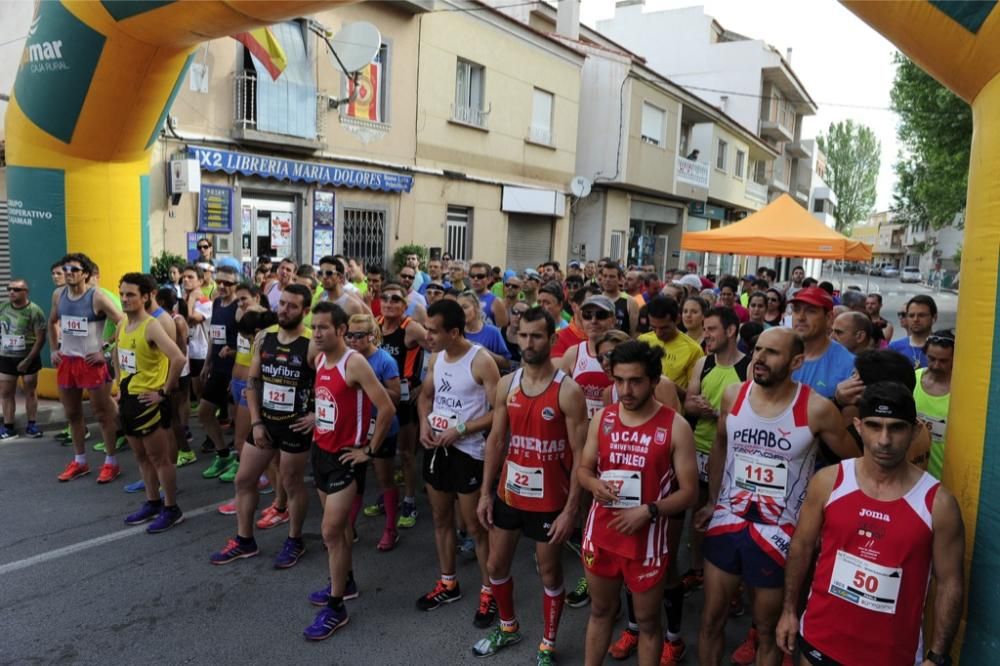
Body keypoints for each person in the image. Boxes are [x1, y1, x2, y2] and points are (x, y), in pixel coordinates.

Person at [695, 327, 855, 666]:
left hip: (779, 533)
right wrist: (712, 500)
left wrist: (819, 517)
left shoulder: (816, 408)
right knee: (710, 620)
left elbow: (854, 464)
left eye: (771, 353)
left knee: (767, 631)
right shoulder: (733, 394)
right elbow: (721, 444)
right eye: (757, 350)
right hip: (729, 519)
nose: (759, 359)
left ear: (796, 361)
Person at [776, 382, 965, 666]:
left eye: (896, 428)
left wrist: (938, 657)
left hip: (891, 655)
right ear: (858, 426)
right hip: (820, 640)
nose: (884, 440)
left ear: (915, 430)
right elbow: (801, 548)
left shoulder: (938, 504)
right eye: (874, 426)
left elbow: (950, 582)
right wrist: (789, 610)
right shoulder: (829, 482)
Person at [472, 307, 589, 663]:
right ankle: (508, 627)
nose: (528, 343)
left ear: (552, 339)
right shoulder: (508, 384)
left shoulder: (568, 391)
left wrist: (571, 510)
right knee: (495, 566)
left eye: (536, 336)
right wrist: (485, 493)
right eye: (523, 335)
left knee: (549, 571)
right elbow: (495, 441)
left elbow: (581, 453)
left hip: (551, 499)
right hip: (510, 493)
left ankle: (548, 643)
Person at [578, 340, 698, 666]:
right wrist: (593, 483)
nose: (625, 390)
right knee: (601, 611)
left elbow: (690, 492)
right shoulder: (602, 418)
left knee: (647, 623)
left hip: (646, 541)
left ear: (655, 381)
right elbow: (584, 469)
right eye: (619, 380)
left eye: (635, 381)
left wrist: (649, 511)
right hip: (601, 535)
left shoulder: (676, 426)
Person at [303, 301, 396, 640]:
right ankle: (348, 581)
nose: (316, 333)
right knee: (339, 532)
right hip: (321, 453)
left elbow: (386, 407)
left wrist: (368, 450)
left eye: (323, 327)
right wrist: (318, 419)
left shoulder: (354, 363)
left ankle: (336, 606)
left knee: (330, 532)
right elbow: (330, 402)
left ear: (341, 330)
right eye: (313, 327)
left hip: (346, 458)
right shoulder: (318, 360)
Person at [210, 283, 317, 568]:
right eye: (282, 303)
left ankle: (295, 540)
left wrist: (317, 415)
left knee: (292, 483)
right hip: (265, 423)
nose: (284, 309)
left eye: (292, 306)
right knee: (243, 480)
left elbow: (330, 382)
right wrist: (256, 422)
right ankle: (244, 540)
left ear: (305, 311)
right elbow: (253, 382)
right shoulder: (264, 337)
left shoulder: (312, 342)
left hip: (295, 426)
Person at [416, 299, 501, 627]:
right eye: (427, 328)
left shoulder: (481, 361)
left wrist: (462, 428)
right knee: (440, 519)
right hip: (437, 448)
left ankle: (489, 589)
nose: (428, 336)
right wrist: (424, 423)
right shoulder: (436, 358)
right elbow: (425, 396)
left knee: (474, 527)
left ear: (454, 331)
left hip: (468, 453)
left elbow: (499, 413)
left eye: (434, 331)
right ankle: (448, 582)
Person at [681, 307, 750, 596]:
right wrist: (697, 406)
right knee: (699, 512)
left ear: (731, 331)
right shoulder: (703, 362)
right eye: (705, 329)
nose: (705, 334)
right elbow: (689, 402)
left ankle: (732, 586)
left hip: (733, 455)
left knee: (731, 519)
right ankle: (697, 569)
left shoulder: (749, 367)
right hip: (699, 448)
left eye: (711, 329)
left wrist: (723, 414)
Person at [116, 273, 187, 533]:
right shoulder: (124, 324)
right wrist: (119, 384)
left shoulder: (151, 325)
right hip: (129, 401)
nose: (125, 299)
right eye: (122, 294)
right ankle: (152, 502)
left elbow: (178, 358)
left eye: (131, 294)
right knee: (141, 457)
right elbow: (118, 354)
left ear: (146, 297)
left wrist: (163, 392)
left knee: (160, 459)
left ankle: (171, 508)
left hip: (149, 402)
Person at [49, 254, 124, 483]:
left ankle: (111, 462)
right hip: (67, 362)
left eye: (74, 269)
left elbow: (123, 321)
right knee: (72, 414)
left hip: (92, 363)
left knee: (102, 415)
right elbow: (52, 321)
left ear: (86, 273)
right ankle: (80, 461)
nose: (69, 272)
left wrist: (105, 348)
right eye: (66, 268)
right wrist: (54, 349)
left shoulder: (97, 297)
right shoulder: (58, 295)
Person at [345, 314, 402, 550]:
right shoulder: (346, 358)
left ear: (371, 336)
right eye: (349, 335)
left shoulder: (385, 360)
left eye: (359, 336)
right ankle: (349, 527)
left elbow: (397, 397)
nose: (353, 340)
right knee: (354, 480)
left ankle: (391, 529)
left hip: (382, 427)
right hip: (356, 429)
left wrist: (369, 383)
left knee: (384, 479)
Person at [374, 282, 427, 530]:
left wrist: (425, 386)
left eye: (395, 299)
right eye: (385, 298)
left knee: (406, 454)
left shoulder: (411, 328)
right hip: (378, 397)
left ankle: (408, 500)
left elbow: (439, 349)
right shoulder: (373, 326)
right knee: (381, 451)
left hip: (405, 399)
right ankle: (387, 495)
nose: (389, 303)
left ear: (405, 305)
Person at [198, 264, 240, 480]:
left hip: (236, 370)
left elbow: (248, 343)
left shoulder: (240, 307)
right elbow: (214, 337)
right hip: (217, 368)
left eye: (228, 283)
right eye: (219, 281)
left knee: (238, 421)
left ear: (236, 284)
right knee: (204, 412)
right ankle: (223, 454)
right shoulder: (215, 303)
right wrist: (207, 364)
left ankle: (242, 461)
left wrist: (237, 372)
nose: (222, 286)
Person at [788, 286, 855, 400]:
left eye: (811, 311)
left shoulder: (849, 364)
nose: (801, 317)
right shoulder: (778, 354)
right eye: (796, 310)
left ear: (829, 318)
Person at [0, 278, 47, 439]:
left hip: (28, 357)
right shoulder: (3, 308)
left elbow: (40, 338)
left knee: (30, 391)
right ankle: (8, 427)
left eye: (16, 289)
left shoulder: (35, 311)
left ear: (26, 292)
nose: (12, 292)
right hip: (6, 357)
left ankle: (32, 425)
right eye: (9, 289)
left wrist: (28, 360)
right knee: (6, 393)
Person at [556, 295, 616, 419]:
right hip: (581, 430)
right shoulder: (573, 354)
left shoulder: (626, 353)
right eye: (587, 315)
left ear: (613, 320)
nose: (593, 320)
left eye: (601, 315)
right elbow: (558, 395)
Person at [155, 287, 196, 469]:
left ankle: (186, 451)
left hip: (179, 373)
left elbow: (182, 351)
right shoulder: (166, 319)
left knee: (173, 417)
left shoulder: (177, 321)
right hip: (173, 372)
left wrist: (175, 376)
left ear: (162, 302)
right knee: (171, 417)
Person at [637, 296, 704, 396]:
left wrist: (667, 386)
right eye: (654, 327)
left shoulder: (693, 350)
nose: (659, 333)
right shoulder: (643, 340)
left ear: (677, 319)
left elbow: (693, 396)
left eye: (664, 328)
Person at [914, 330, 954, 479]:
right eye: (931, 358)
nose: (936, 365)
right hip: (913, 474)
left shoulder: (962, 391)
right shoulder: (913, 379)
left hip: (946, 477)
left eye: (943, 361)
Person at [182, 264, 213, 405]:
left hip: (201, 353)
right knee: (192, 390)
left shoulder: (205, 303)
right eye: (184, 277)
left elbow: (191, 318)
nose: (185, 280)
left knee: (202, 391)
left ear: (200, 281)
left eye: (190, 277)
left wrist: (191, 300)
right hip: (188, 352)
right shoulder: (185, 300)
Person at [458, 291, 512, 372]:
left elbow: (506, 364)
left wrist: (482, 351)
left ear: (476, 308)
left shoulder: (492, 332)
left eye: (465, 307)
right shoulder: (456, 332)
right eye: (458, 308)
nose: (460, 311)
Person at [888, 295, 937, 369]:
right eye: (911, 315)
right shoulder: (894, 348)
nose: (915, 319)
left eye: (921, 315)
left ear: (934, 318)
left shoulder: (943, 349)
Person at [599, 262, 639, 335]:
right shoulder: (595, 300)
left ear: (620, 279)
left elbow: (635, 333)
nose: (607, 279)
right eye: (605, 276)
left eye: (612, 276)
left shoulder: (630, 302)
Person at [552, 285, 590, 359]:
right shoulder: (559, 338)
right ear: (574, 307)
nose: (592, 311)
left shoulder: (605, 337)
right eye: (588, 306)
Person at [469, 261, 508, 328]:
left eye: (480, 276)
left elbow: (501, 331)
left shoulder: (496, 302)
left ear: (489, 279)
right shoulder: (463, 297)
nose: (475, 279)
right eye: (472, 276)